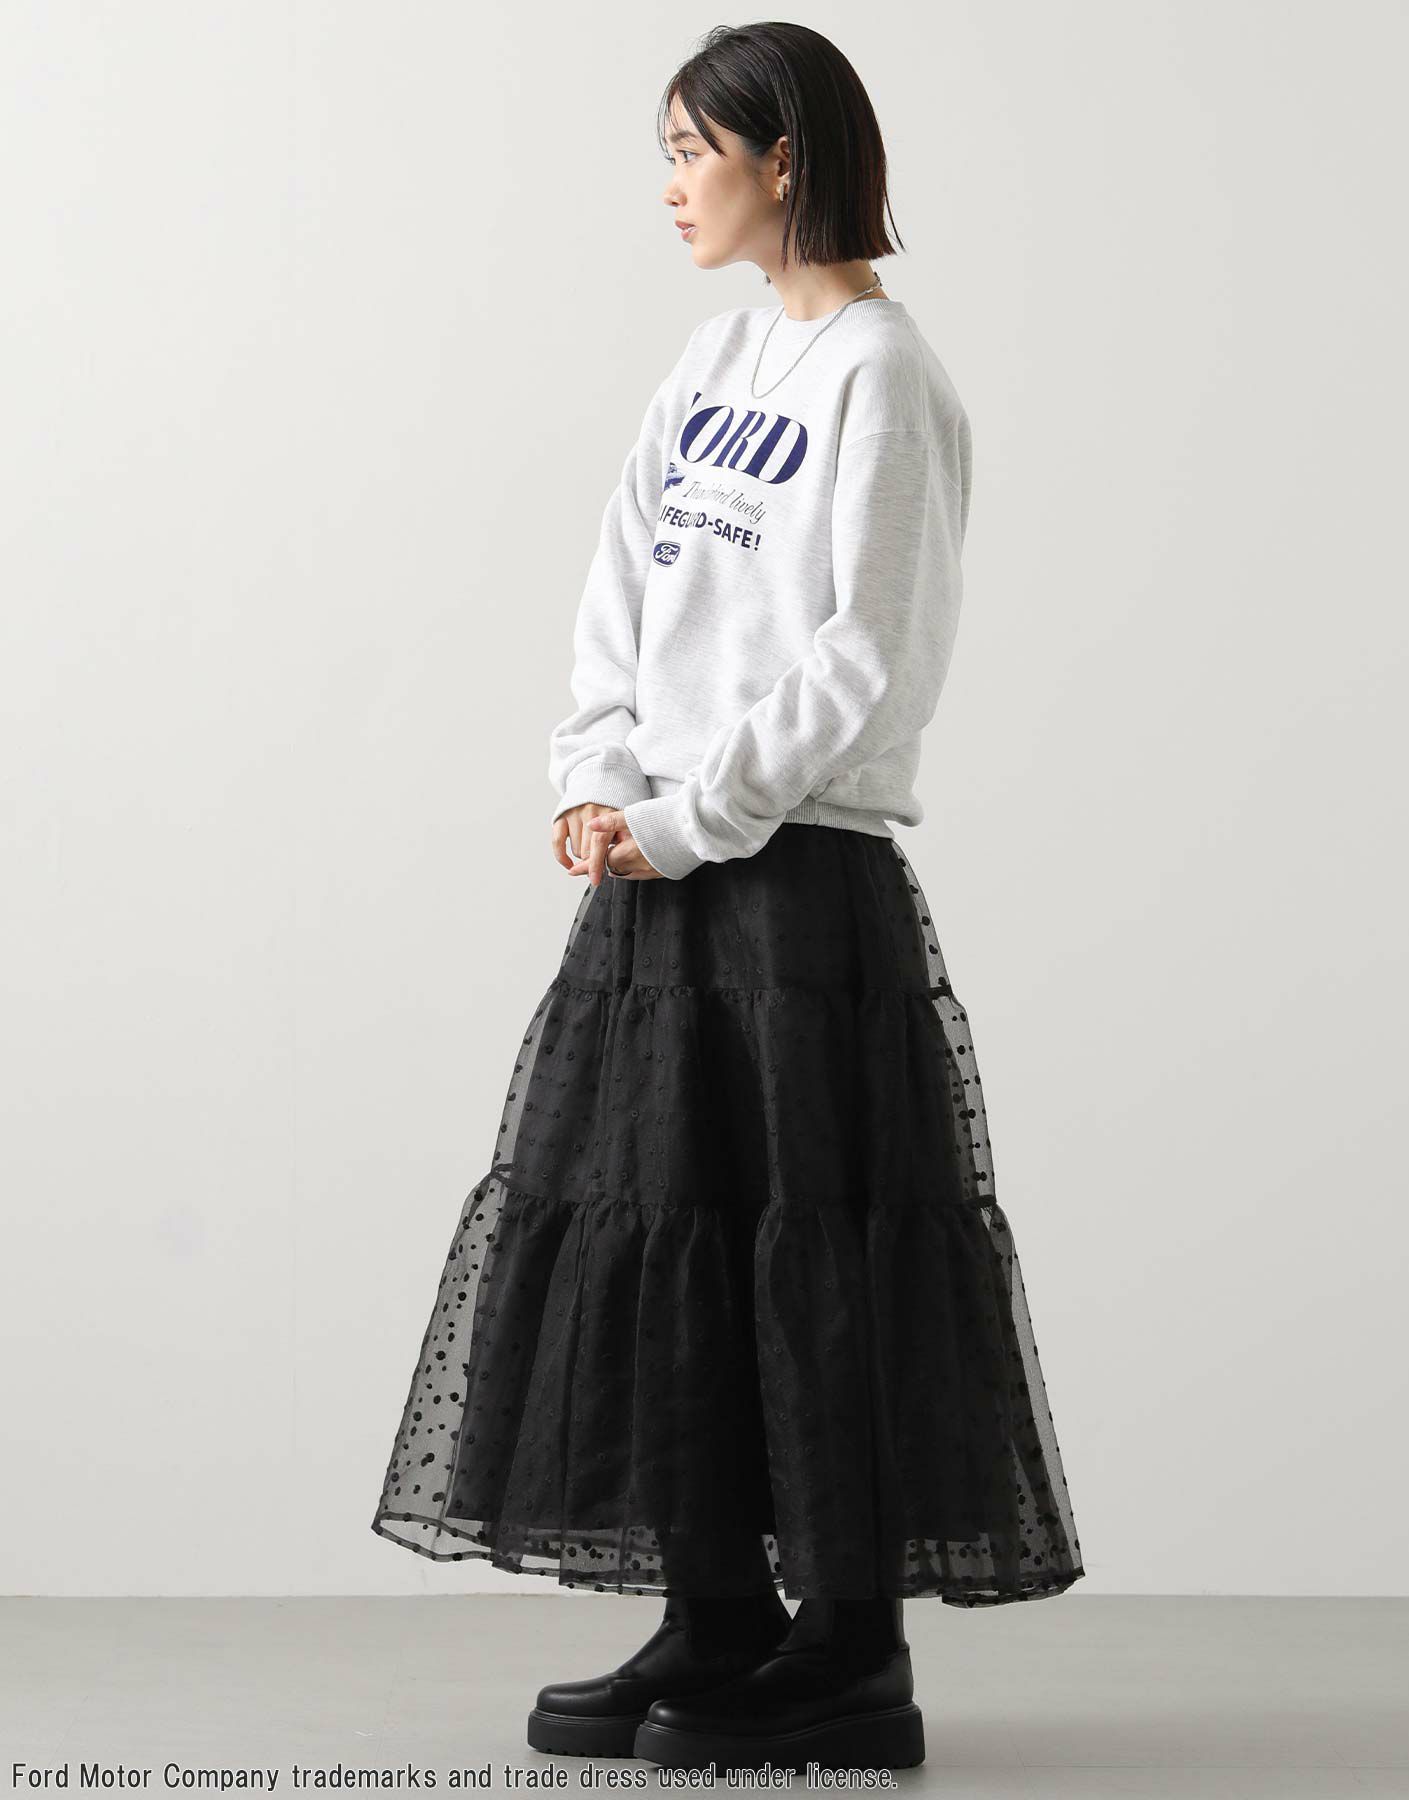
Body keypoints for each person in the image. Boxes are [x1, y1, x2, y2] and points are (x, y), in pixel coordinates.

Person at [371, 21, 1085, 1775]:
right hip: (657, 885)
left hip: (793, 890)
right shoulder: (713, 360)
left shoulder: (882, 377)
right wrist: (595, 776)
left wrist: (693, 814)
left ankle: (850, 1653)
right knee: (666, 1250)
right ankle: (715, 1615)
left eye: (695, 150)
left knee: (810, 1264)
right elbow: (620, 582)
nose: (672, 185)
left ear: (788, 159)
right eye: (670, 152)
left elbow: (870, 655)